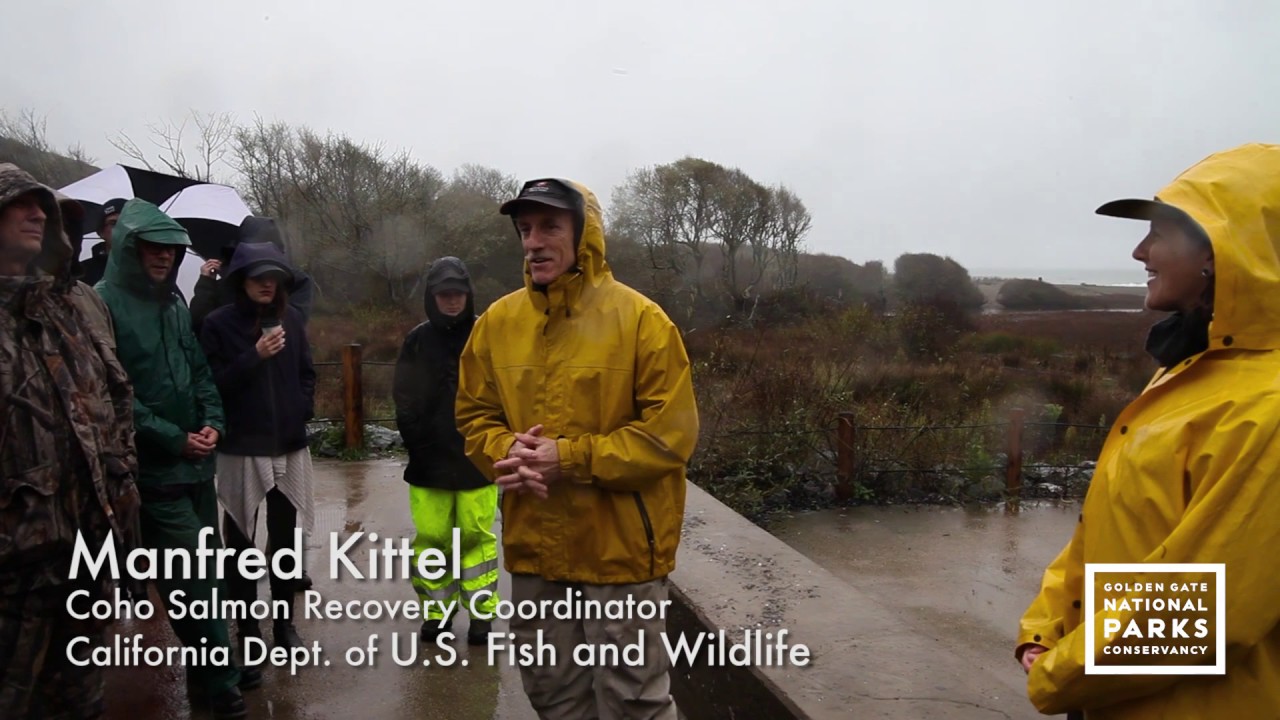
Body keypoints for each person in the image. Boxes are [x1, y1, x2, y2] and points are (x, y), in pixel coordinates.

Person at [1016, 143, 1280, 717]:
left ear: (1221, 248)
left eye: (1159, 233)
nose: (1140, 251)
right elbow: (1106, 532)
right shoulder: (1185, 374)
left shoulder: (1268, 408)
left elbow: (1204, 613)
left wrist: (1057, 676)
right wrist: (1045, 625)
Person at [455, 178, 700, 719]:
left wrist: (567, 458)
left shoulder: (643, 321)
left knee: (634, 699)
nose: (533, 242)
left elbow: (670, 436)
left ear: (583, 234)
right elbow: (475, 416)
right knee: (552, 693)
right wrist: (507, 451)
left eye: (549, 226)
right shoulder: (496, 323)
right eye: (525, 229)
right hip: (535, 545)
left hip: (621, 551)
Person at [94, 198, 259, 720]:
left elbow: (200, 371)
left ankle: (208, 677)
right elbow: (113, 394)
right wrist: (173, 437)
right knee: (197, 579)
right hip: (153, 471)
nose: (164, 257)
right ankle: (224, 685)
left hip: (196, 468)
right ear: (127, 248)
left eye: (171, 249)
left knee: (200, 575)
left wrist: (213, 423)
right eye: (153, 247)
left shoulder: (173, 306)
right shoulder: (102, 305)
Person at [0, 164, 141, 720]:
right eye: (20, 203)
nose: (37, 213)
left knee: (80, 703)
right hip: (12, 572)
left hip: (85, 556)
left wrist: (122, 484)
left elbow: (117, 396)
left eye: (46, 205)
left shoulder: (78, 304)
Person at [199, 241, 316, 654]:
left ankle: (284, 625)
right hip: (241, 447)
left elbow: (307, 373)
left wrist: (302, 408)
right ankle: (248, 630)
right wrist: (254, 356)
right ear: (241, 281)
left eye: (273, 277)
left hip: (288, 444)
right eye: (257, 277)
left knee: (285, 541)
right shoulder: (218, 324)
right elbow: (210, 385)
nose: (266, 284)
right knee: (242, 543)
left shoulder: (294, 319)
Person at [394, 256, 499, 645]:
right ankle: (436, 614)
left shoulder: (486, 334)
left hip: (477, 462)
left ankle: (481, 616)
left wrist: (491, 443)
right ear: (432, 297)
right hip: (429, 464)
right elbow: (403, 398)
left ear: (468, 295)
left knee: (477, 539)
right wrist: (417, 442)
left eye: (457, 294)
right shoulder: (417, 340)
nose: (452, 301)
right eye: (444, 295)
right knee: (432, 540)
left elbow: (501, 392)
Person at [190, 216, 316, 336]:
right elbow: (201, 327)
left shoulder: (297, 283)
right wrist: (205, 284)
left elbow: (293, 331)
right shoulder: (228, 283)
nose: (267, 283)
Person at [78, 196, 124, 286]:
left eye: (127, 221)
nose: (122, 228)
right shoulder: (82, 274)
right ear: (101, 232)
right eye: (113, 223)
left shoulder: (152, 267)